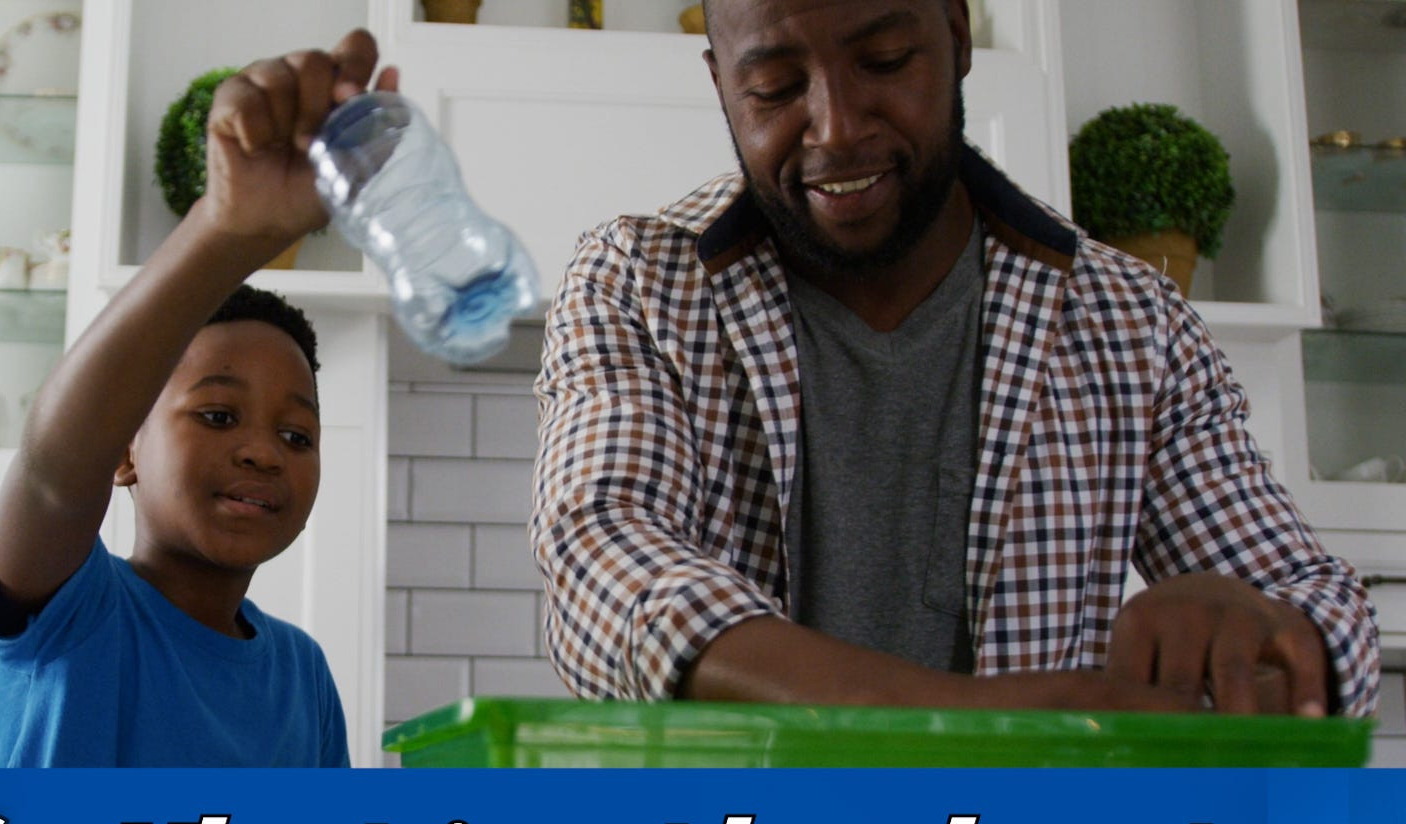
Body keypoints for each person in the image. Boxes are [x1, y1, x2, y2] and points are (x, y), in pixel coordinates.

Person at [530, 0, 1381, 716]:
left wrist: (1268, 639)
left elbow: (1324, 608)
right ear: (721, 85)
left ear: (957, 36)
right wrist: (984, 723)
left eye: (887, 60)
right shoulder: (638, 283)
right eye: (775, 88)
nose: (835, 127)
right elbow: (602, 561)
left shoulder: (1132, 321)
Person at [0, 31, 398, 765]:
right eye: (217, 415)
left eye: (297, 435)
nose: (262, 451)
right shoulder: (76, 613)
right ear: (124, 451)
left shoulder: (303, 673)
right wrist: (223, 231)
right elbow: (51, 473)